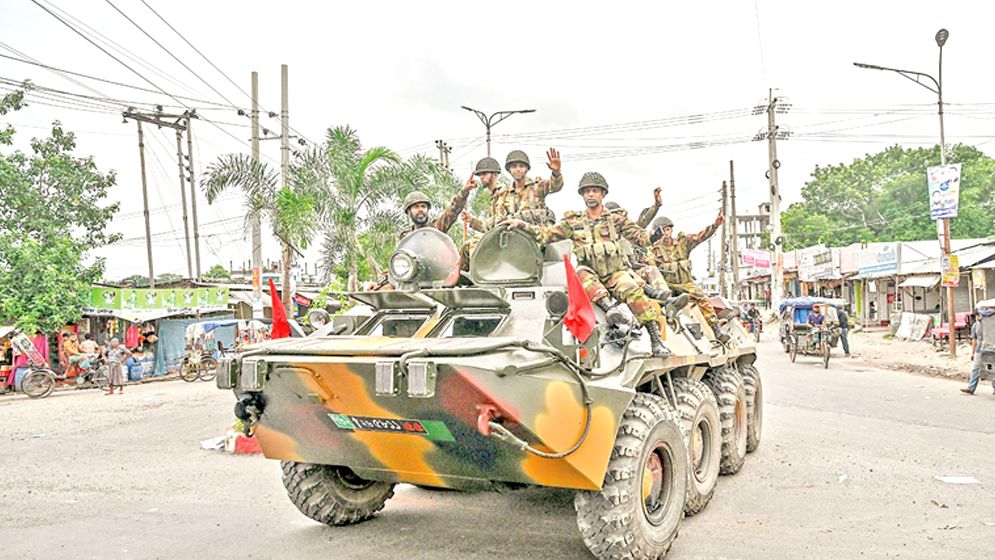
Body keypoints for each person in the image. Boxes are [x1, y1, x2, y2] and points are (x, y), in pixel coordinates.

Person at [505, 171, 669, 356]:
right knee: (581, 273)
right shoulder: (573, 222)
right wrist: (522, 225)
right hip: (590, 272)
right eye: (587, 191)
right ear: (582, 195)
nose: (591, 195)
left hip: (615, 273)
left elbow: (640, 237)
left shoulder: (616, 221)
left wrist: (654, 236)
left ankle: (656, 341)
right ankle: (609, 309)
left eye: (595, 191)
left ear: (603, 194)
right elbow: (545, 234)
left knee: (633, 291)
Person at [648, 211, 728, 342]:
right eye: (662, 230)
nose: (666, 233)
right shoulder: (652, 250)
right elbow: (649, 267)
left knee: (702, 297)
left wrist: (715, 225)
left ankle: (716, 329)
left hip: (685, 284)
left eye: (668, 229)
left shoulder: (682, 243)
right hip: (666, 287)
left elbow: (701, 236)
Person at [961, 307, 994, 395]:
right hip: (980, 350)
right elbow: (974, 340)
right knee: (976, 368)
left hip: (991, 350)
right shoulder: (976, 325)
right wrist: (973, 352)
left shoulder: (992, 324)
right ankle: (971, 387)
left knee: (992, 370)